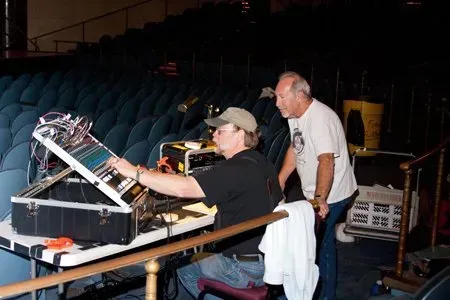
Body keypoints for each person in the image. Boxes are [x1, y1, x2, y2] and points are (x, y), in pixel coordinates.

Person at [107, 107, 283, 299]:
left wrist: (134, 172)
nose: (214, 135)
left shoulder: (235, 168)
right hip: (268, 262)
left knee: (182, 266)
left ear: (240, 135)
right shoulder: (262, 162)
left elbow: (184, 189)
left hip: (241, 269)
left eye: (220, 131)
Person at [275, 71, 357, 300]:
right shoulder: (293, 115)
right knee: (321, 243)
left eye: (282, 97)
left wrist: (320, 198)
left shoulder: (320, 119)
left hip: (333, 192)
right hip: (314, 191)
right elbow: (295, 147)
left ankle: (324, 295)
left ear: (300, 95)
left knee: (319, 245)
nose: (276, 102)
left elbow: (327, 160)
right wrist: (281, 179)